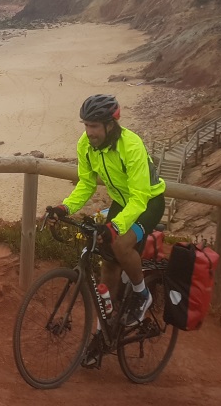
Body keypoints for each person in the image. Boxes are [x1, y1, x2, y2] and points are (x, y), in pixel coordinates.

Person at [46, 94, 166, 367]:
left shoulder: (131, 146)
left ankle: (141, 294)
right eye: (86, 125)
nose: (89, 132)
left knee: (121, 245)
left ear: (111, 125)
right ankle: (102, 335)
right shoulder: (85, 146)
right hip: (122, 203)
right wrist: (64, 208)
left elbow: (139, 197)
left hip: (148, 202)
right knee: (107, 266)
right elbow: (86, 185)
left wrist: (116, 227)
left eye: (95, 126)